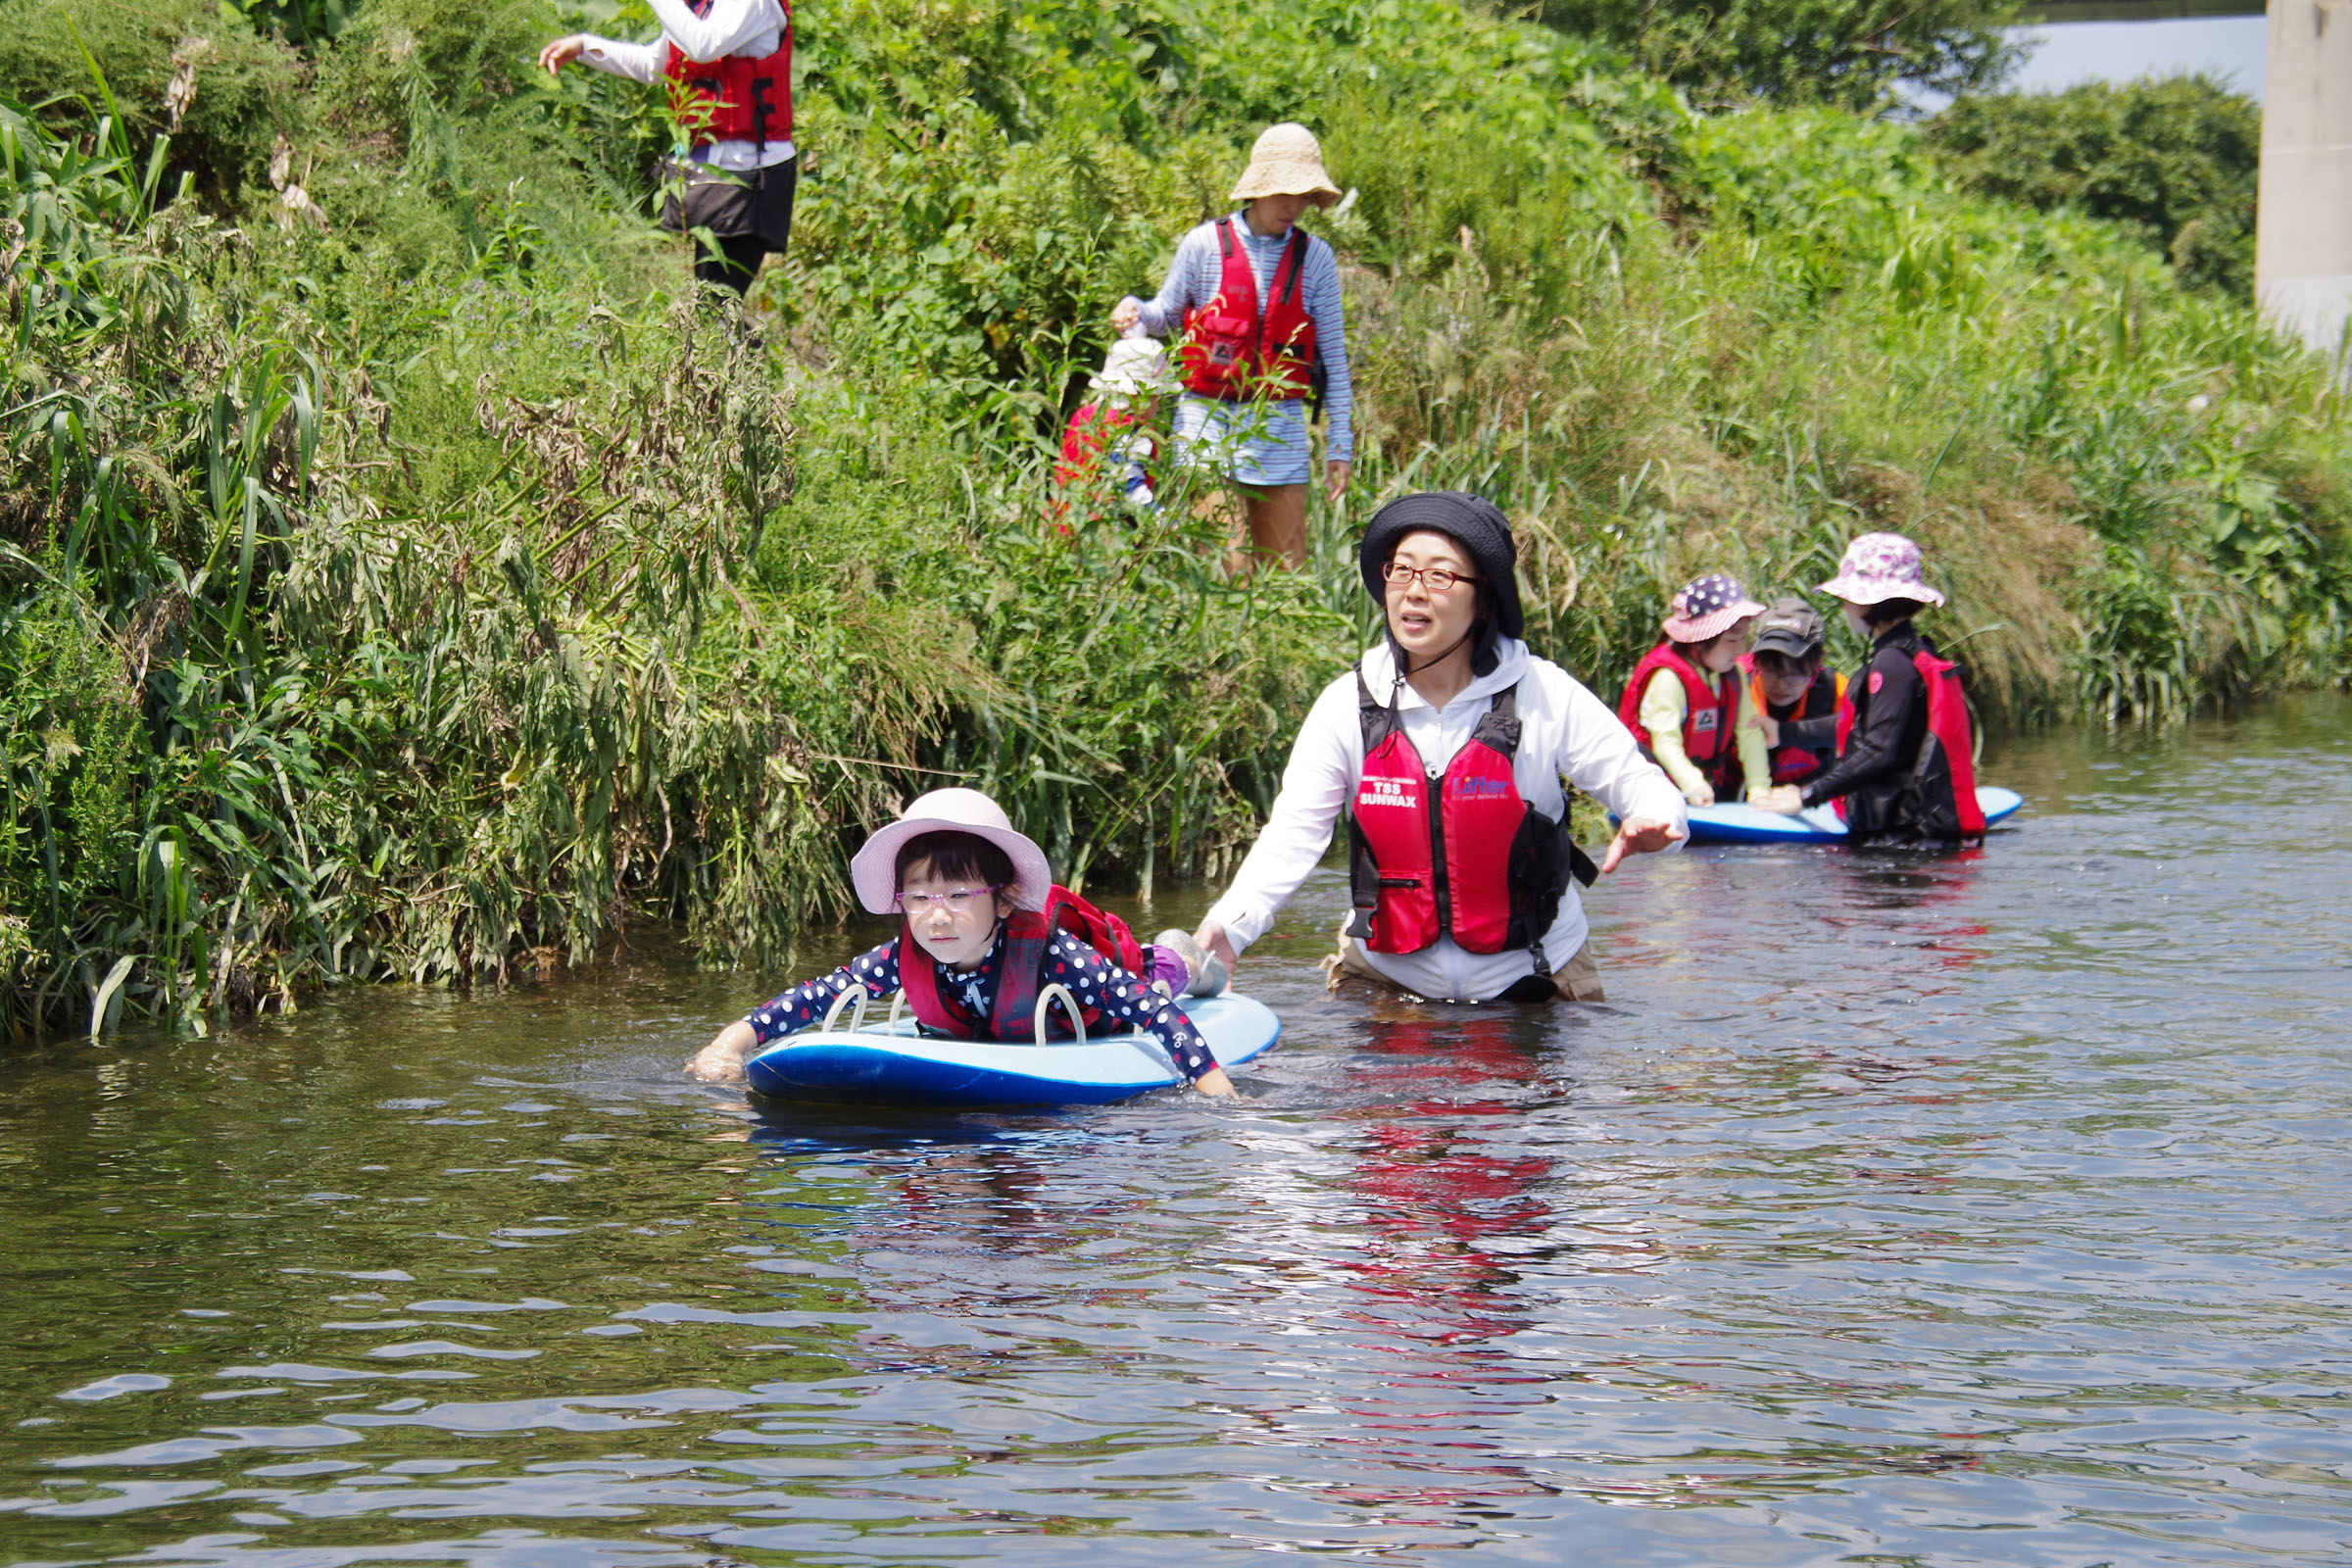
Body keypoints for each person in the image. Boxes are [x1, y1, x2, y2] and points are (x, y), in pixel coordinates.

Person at [1190, 491, 1688, 1005]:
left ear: (1483, 595)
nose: (1414, 592)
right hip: (1386, 982)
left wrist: (1657, 819)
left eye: (1440, 575)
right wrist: (1230, 927)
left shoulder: (1544, 693)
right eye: (1401, 571)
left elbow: (1641, 784)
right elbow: (1293, 834)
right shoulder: (1346, 704)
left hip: (1538, 978)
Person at [687, 790, 1238, 1095]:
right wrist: (732, 1041)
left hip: (1112, 995)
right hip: (1000, 1025)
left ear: (1003, 899)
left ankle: (1190, 956)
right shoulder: (901, 959)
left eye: (958, 894)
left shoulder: (1055, 956)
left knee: (1161, 970)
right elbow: (814, 997)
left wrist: (1218, 1094)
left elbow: (1151, 1011)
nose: (937, 916)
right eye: (920, 898)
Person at [1109, 122, 1352, 572]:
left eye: (1302, 196)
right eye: (1284, 192)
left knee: (1286, 575)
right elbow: (1164, 313)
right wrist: (1135, 310)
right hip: (1206, 431)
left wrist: (1340, 446)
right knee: (1225, 572)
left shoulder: (1316, 257)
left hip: (1281, 438)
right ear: (1258, 188)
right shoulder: (1204, 244)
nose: (1293, 206)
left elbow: (1334, 360)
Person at [539, 0, 797, 298]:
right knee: (709, 307)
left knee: (715, 307)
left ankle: (741, 344)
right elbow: (655, 65)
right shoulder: (701, 6)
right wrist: (585, 46)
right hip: (709, 176)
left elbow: (704, 44)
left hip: (753, 178)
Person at [1800, 533, 1985, 846]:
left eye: (1848, 598)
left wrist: (1806, 795)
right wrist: (1785, 732)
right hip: (1915, 837)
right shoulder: (1914, 651)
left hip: (1902, 841)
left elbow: (1878, 752)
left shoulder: (1892, 663)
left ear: (1869, 602)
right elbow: (1871, 730)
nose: (1844, 607)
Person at [1615, 574, 1797, 811]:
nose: (1741, 649)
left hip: (1702, 795)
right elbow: (1665, 741)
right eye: (1732, 640)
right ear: (1700, 640)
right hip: (1652, 793)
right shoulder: (1668, 678)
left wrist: (1759, 788)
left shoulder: (1734, 675)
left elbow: (1749, 733)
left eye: (1743, 638)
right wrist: (1693, 785)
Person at [1053, 330, 1171, 518]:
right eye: (1157, 397)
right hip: (1101, 529)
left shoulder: (1087, 415)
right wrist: (1159, 519)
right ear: (1139, 396)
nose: (1157, 406)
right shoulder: (1128, 431)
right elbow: (1129, 485)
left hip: (1064, 516)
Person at [1740, 598, 1847, 790]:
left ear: (1817, 665)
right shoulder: (1734, 681)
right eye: (1771, 671)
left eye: (1794, 674)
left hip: (1808, 800)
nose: (1781, 685)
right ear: (1755, 662)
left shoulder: (1836, 690)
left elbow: (1871, 736)